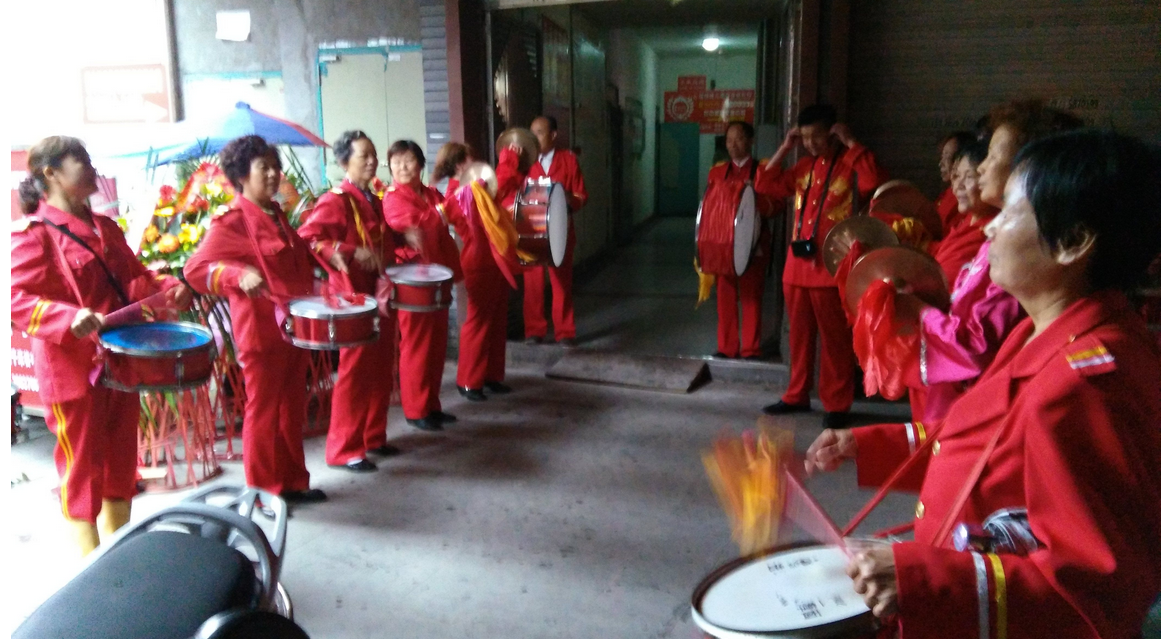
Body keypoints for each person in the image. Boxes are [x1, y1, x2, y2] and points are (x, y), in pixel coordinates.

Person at [806, 129, 1161, 639]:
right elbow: (986, 443)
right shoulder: (1038, 334)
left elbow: (1096, 601)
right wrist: (869, 445)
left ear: (1073, 242)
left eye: (1010, 212)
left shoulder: (1086, 389)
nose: (990, 227)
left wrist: (922, 577)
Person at [12, 136, 190, 555]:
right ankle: (89, 564)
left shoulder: (105, 228)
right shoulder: (35, 234)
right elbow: (15, 297)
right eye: (82, 161)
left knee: (120, 460)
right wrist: (65, 317)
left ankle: (118, 552)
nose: (92, 168)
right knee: (81, 467)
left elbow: (135, 279)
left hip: (119, 362)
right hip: (73, 371)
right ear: (51, 173)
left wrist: (169, 287)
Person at [905, 100, 1082, 422]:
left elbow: (976, 345)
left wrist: (917, 310)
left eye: (991, 157)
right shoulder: (1003, 248)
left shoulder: (1021, 259)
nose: (981, 168)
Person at [185, 135, 327, 504]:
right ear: (241, 175)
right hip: (261, 334)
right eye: (263, 167)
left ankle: (293, 482)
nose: (273, 174)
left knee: (291, 408)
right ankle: (263, 493)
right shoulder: (232, 221)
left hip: (295, 330)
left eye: (276, 166)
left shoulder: (276, 215)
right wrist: (234, 275)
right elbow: (195, 270)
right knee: (264, 412)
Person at [755, 104, 884, 428]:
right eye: (805, 137)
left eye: (817, 136)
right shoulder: (802, 167)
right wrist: (785, 147)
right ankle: (796, 394)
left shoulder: (849, 165)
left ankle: (837, 403)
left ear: (832, 132)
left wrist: (851, 142)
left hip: (831, 269)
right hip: (796, 268)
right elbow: (765, 184)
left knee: (834, 341)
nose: (811, 143)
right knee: (798, 339)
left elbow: (874, 181)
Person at [297, 130, 400, 472]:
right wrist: (350, 251)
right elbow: (308, 238)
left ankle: (373, 436)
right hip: (352, 296)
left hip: (379, 292)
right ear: (344, 162)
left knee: (381, 367)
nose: (372, 161)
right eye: (363, 156)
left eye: (374, 155)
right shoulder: (336, 200)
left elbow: (382, 238)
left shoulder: (373, 198)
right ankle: (344, 449)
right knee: (355, 372)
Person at [382, 139, 463, 431]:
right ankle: (416, 410)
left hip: (437, 275)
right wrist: (441, 211)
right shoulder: (393, 197)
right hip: (412, 280)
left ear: (420, 164)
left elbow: (453, 213)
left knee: (436, 343)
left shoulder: (430, 193)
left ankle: (431, 405)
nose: (402, 167)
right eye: (396, 162)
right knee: (417, 343)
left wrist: (465, 189)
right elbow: (414, 224)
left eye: (408, 161)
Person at [432, 142, 523, 401]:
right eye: (471, 159)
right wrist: (509, 157)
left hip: (492, 259)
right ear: (461, 164)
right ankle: (469, 381)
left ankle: (491, 376)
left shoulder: (469, 188)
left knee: (496, 319)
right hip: (478, 262)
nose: (477, 164)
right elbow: (500, 183)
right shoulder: (462, 192)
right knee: (479, 320)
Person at [704, 121, 776, 360]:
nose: (733, 145)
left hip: (753, 243)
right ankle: (727, 347)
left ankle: (751, 349)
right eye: (729, 140)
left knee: (751, 296)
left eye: (739, 139)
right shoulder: (716, 173)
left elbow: (775, 205)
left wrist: (754, 197)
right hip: (723, 244)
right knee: (724, 296)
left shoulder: (763, 170)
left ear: (751, 141)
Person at [522, 115, 588, 347]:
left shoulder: (568, 160)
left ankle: (565, 331)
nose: (534, 138)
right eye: (532, 133)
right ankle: (534, 330)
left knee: (561, 283)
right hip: (531, 231)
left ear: (553, 135)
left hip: (560, 231)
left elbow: (581, 195)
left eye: (539, 133)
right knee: (533, 285)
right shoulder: (524, 162)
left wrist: (569, 199)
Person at [927, 138, 997, 289]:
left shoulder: (991, 233)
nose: (958, 185)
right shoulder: (970, 219)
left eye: (969, 176)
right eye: (957, 176)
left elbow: (944, 284)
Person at [935, 131, 975, 236]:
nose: (941, 164)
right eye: (942, 157)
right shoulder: (948, 193)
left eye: (947, 158)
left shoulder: (964, 199)